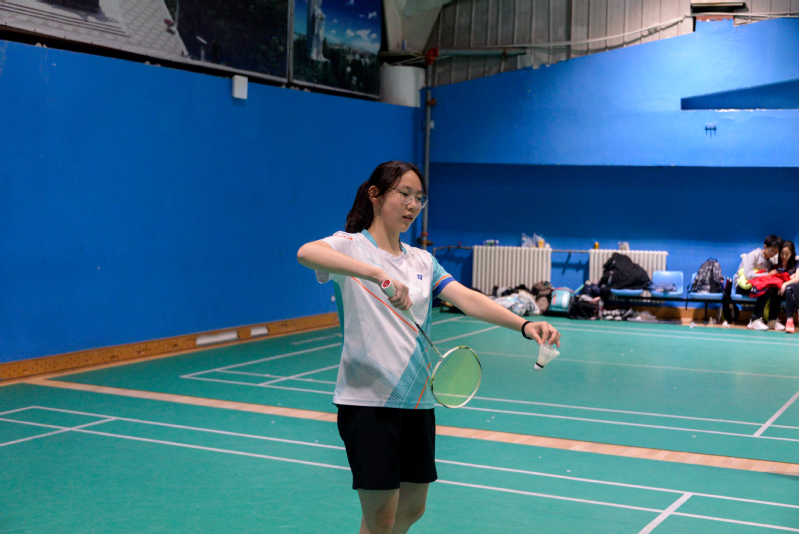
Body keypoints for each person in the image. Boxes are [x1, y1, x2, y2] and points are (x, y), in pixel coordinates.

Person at [297, 161, 561, 534]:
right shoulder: (350, 246)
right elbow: (306, 253)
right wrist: (378, 273)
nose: (412, 205)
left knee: (411, 509)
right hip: (368, 401)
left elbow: (468, 299)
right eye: (404, 194)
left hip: (417, 400)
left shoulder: (422, 260)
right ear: (375, 195)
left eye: (419, 198)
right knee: (381, 517)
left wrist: (524, 324)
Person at [736, 235, 782, 331]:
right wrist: (767, 275)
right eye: (771, 251)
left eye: (776, 252)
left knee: (777, 289)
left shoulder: (770, 262)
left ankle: (772, 320)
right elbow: (748, 275)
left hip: (757, 285)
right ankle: (754, 320)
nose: (773, 254)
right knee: (766, 289)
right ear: (765, 247)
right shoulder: (753, 255)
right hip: (743, 285)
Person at [777, 241, 799, 333]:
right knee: (792, 286)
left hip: (793, 292)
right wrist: (788, 280)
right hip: (779, 292)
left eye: (787, 254)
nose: (784, 256)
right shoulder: (776, 263)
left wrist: (785, 283)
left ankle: (789, 321)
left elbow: (797, 279)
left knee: (791, 288)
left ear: (792, 254)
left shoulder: (796, 263)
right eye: (782, 253)